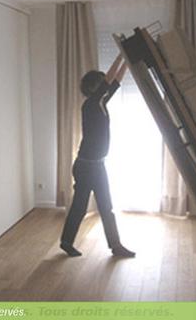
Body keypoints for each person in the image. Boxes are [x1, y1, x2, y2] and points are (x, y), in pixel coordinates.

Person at [60, 53, 135, 258]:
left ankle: (116, 246)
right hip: (86, 166)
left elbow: (115, 81)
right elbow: (109, 80)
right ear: (95, 88)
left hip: (97, 165)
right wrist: (120, 55)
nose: (106, 86)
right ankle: (66, 242)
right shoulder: (91, 105)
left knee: (106, 206)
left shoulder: (101, 103)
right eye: (102, 83)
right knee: (80, 207)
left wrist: (127, 60)